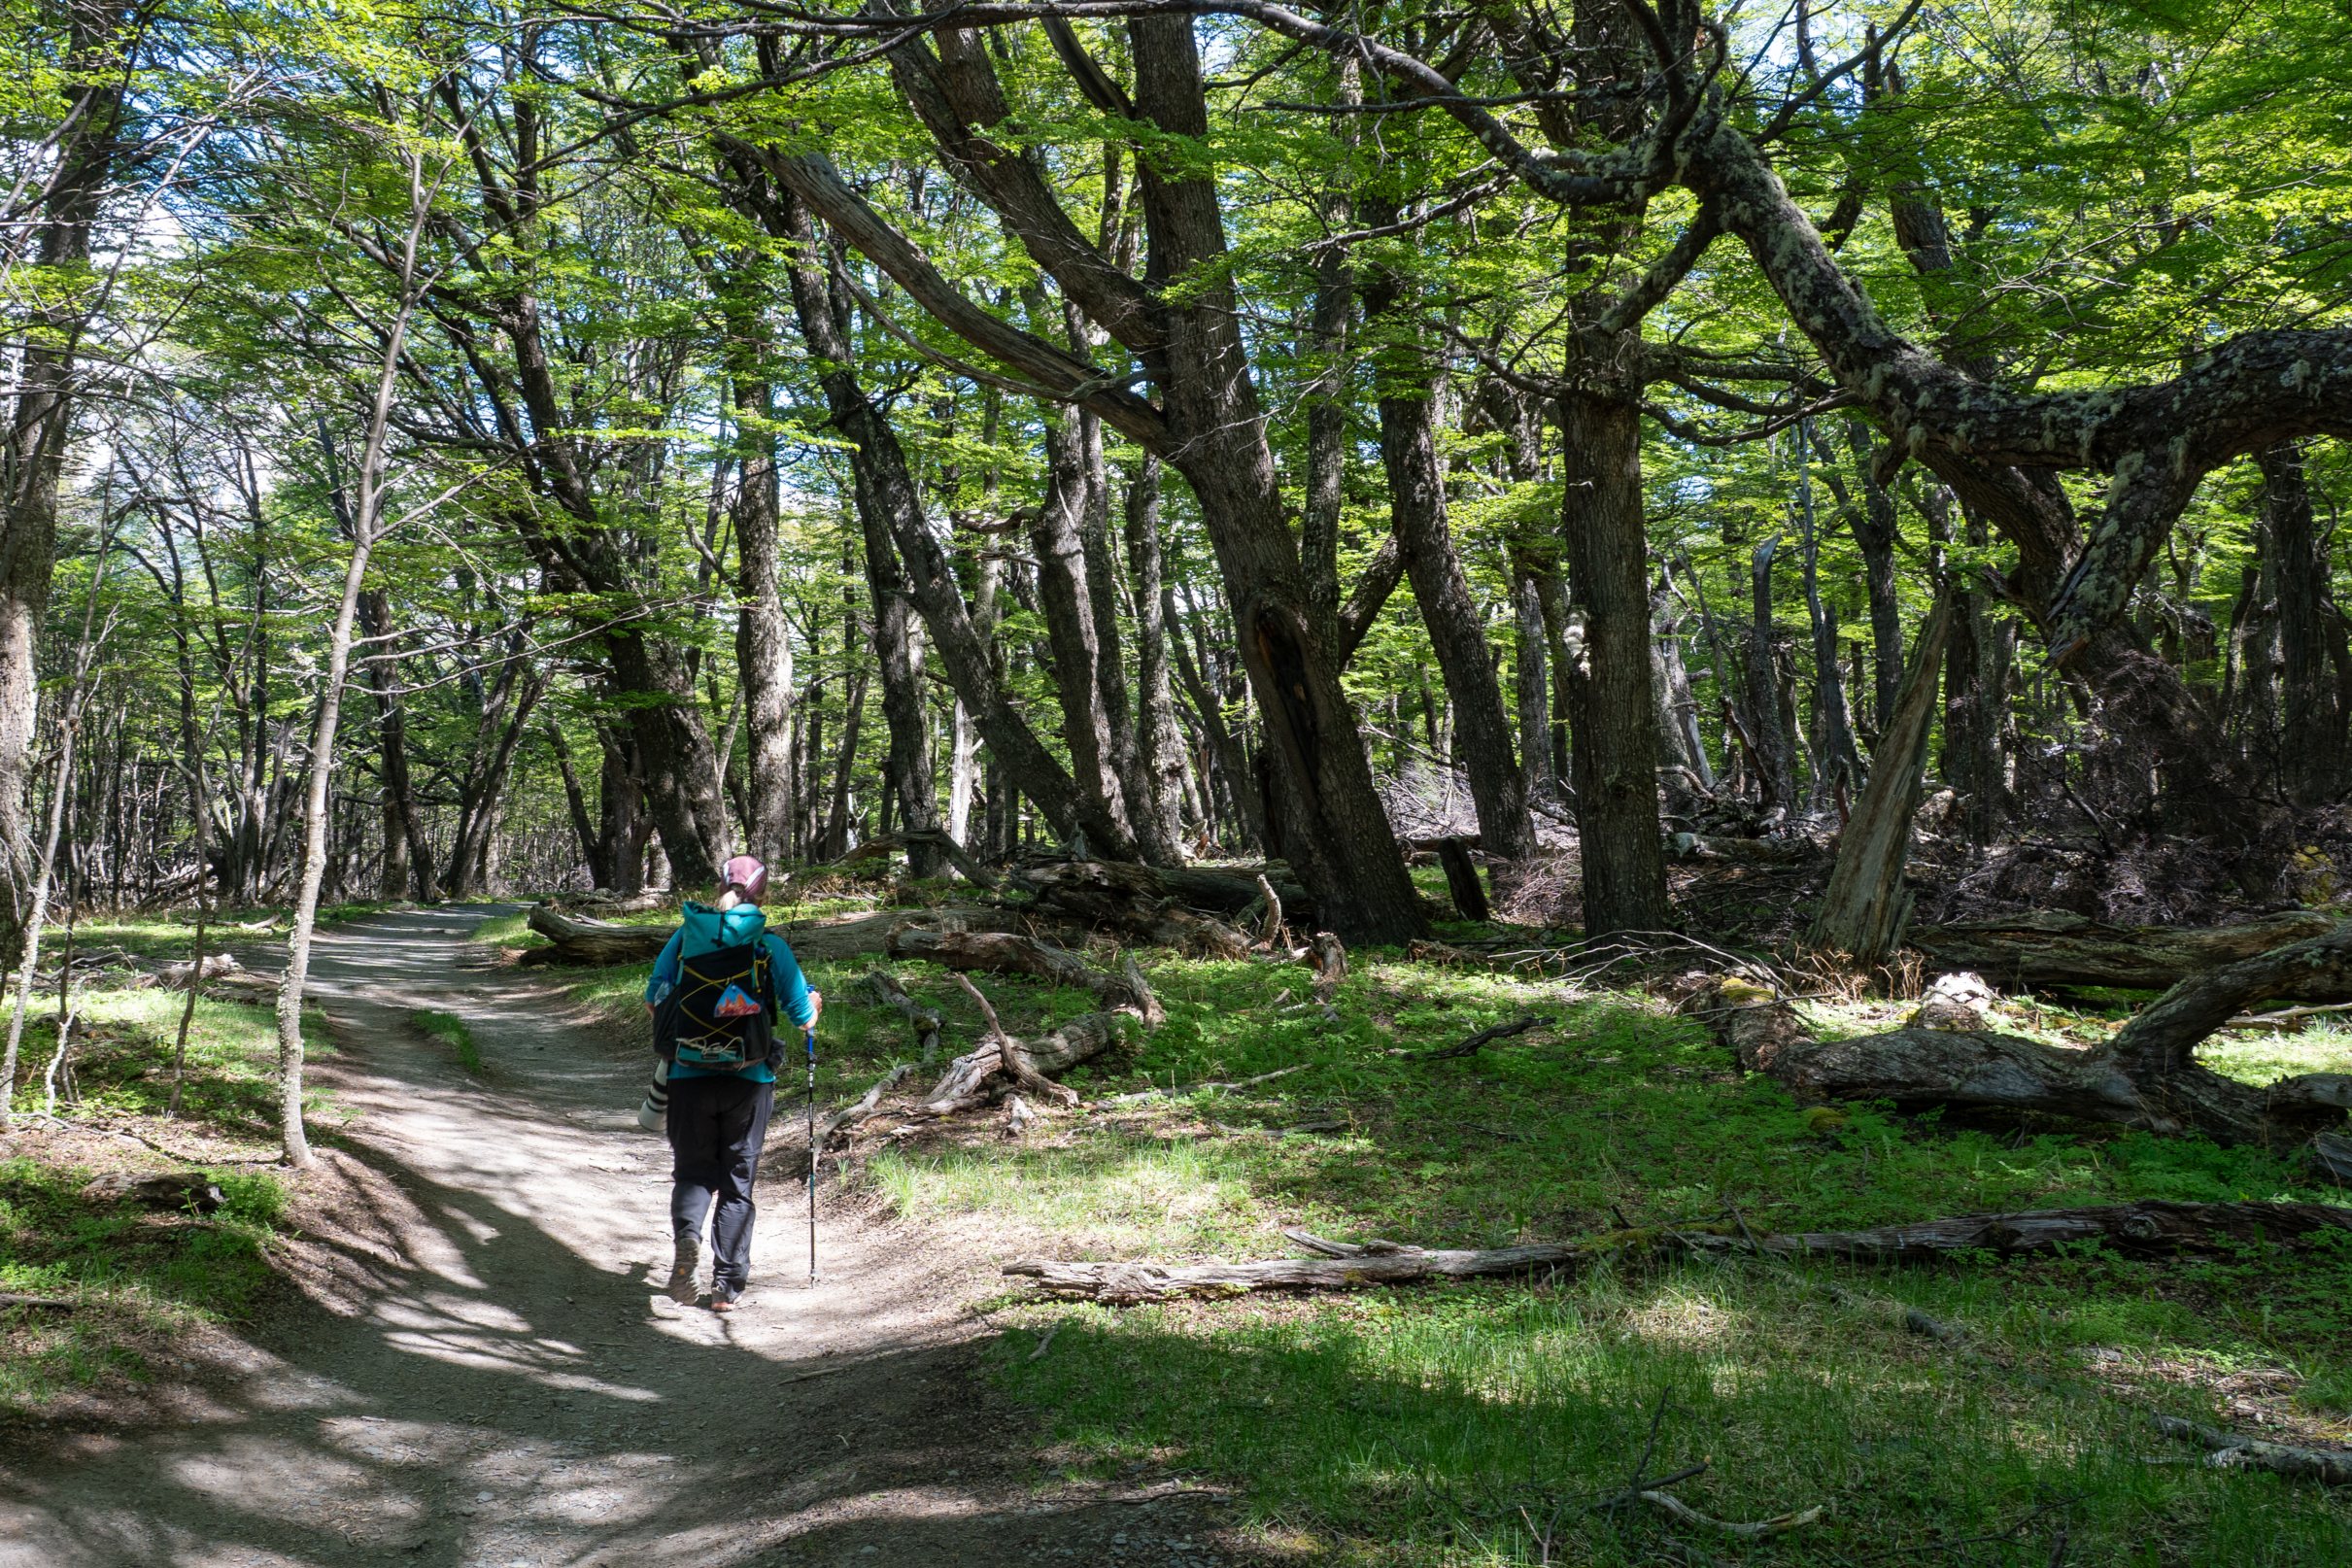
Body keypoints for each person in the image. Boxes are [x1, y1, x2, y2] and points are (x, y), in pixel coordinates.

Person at [637, 854, 819, 1312]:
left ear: (719, 885)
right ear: (763, 894)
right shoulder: (769, 946)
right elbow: (802, 1018)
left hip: (686, 1075)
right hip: (749, 1077)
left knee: (694, 1172)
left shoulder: (684, 938)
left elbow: (653, 1000)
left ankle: (687, 1239)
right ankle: (725, 1286)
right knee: (738, 1182)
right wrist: (813, 1003)